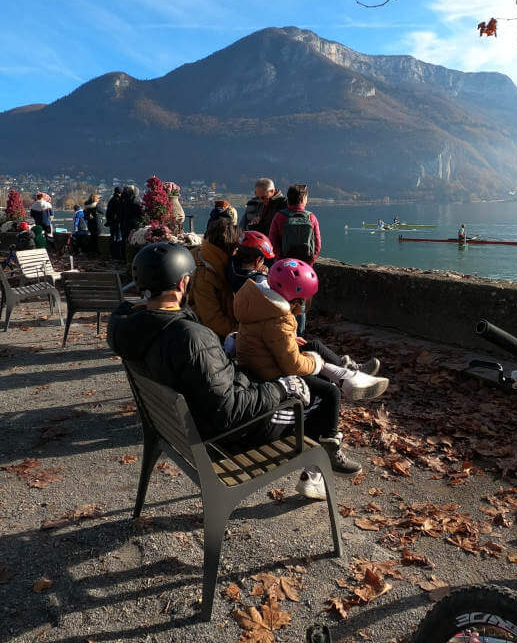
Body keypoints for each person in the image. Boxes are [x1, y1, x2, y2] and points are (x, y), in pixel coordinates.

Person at [107, 242, 362, 501]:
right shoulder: (191, 337)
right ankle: (316, 472)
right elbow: (229, 412)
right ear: (184, 283)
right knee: (322, 396)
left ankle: (318, 461)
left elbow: (202, 374)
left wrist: (227, 350)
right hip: (228, 438)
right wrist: (281, 388)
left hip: (182, 426)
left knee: (296, 380)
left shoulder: (134, 327)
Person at [234, 257, 387, 498]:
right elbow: (292, 364)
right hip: (271, 380)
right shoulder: (277, 320)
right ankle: (328, 449)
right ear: (294, 300)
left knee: (313, 344)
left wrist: (292, 344)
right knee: (329, 393)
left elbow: (264, 338)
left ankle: (349, 373)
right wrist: (317, 363)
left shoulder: (257, 302)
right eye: (303, 301)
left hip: (258, 368)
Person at [268, 183, 321, 334]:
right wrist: (307, 265)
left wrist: (282, 262)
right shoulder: (311, 217)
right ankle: (300, 336)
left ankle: (284, 336)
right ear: (303, 198)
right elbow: (317, 246)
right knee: (301, 304)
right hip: (304, 269)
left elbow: (272, 243)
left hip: (283, 269)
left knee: (282, 303)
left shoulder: (279, 216)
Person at [189, 217, 239, 340]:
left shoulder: (206, 256)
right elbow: (212, 320)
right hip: (204, 335)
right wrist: (244, 333)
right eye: (236, 248)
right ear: (229, 247)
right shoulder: (204, 273)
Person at [105, 187, 123, 258]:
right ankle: (117, 255)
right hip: (117, 222)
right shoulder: (118, 200)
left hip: (112, 222)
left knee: (113, 238)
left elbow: (107, 213)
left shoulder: (111, 200)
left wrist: (109, 220)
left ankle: (113, 254)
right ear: (120, 193)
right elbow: (119, 212)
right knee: (118, 239)